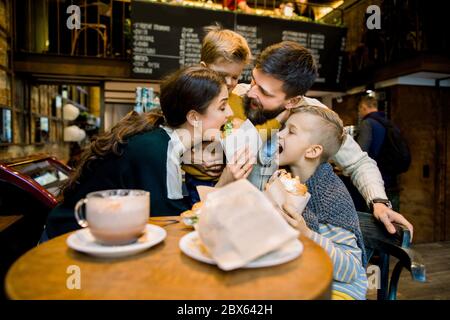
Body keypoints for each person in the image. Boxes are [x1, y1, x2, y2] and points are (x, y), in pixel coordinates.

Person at [44, 66, 255, 239]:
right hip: (67, 242)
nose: (229, 114)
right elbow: (174, 227)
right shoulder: (156, 151)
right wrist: (224, 185)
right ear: (194, 117)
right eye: (222, 107)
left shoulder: (161, 141)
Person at [233, 41, 413, 237]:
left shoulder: (316, 117)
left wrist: (379, 201)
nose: (251, 92)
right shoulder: (235, 94)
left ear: (293, 101)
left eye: (265, 92)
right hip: (236, 217)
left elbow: (359, 162)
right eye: (253, 81)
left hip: (285, 230)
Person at [182, 26, 288, 204]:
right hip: (198, 181)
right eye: (222, 75)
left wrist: (280, 116)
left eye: (235, 77)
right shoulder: (189, 98)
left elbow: (252, 134)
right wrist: (187, 157)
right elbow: (172, 135)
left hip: (234, 180)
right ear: (204, 67)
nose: (229, 83)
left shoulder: (239, 101)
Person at [277, 106, 367, 300]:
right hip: (300, 278)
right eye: (283, 128)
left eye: (291, 131)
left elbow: (350, 269)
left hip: (339, 289)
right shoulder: (282, 180)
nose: (279, 135)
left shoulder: (330, 196)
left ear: (312, 151)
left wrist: (307, 234)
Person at [357, 96, 402, 212]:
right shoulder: (389, 123)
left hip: (374, 180)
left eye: (360, 109)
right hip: (392, 179)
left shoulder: (367, 123)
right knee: (391, 217)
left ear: (364, 107)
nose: (360, 112)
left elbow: (361, 153)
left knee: (373, 218)